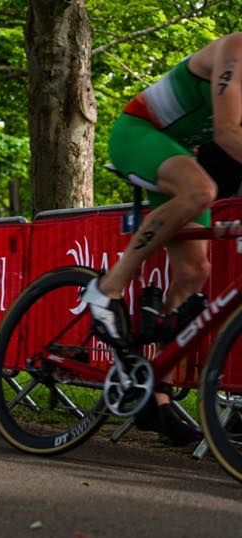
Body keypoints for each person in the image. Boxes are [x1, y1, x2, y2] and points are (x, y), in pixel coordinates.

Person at [83, 33, 242, 445]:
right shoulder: (235, 51)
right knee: (200, 190)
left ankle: (158, 393)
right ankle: (107, 287)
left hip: (178, 152)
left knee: (194, 271)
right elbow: (227, 135)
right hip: (137, 133)